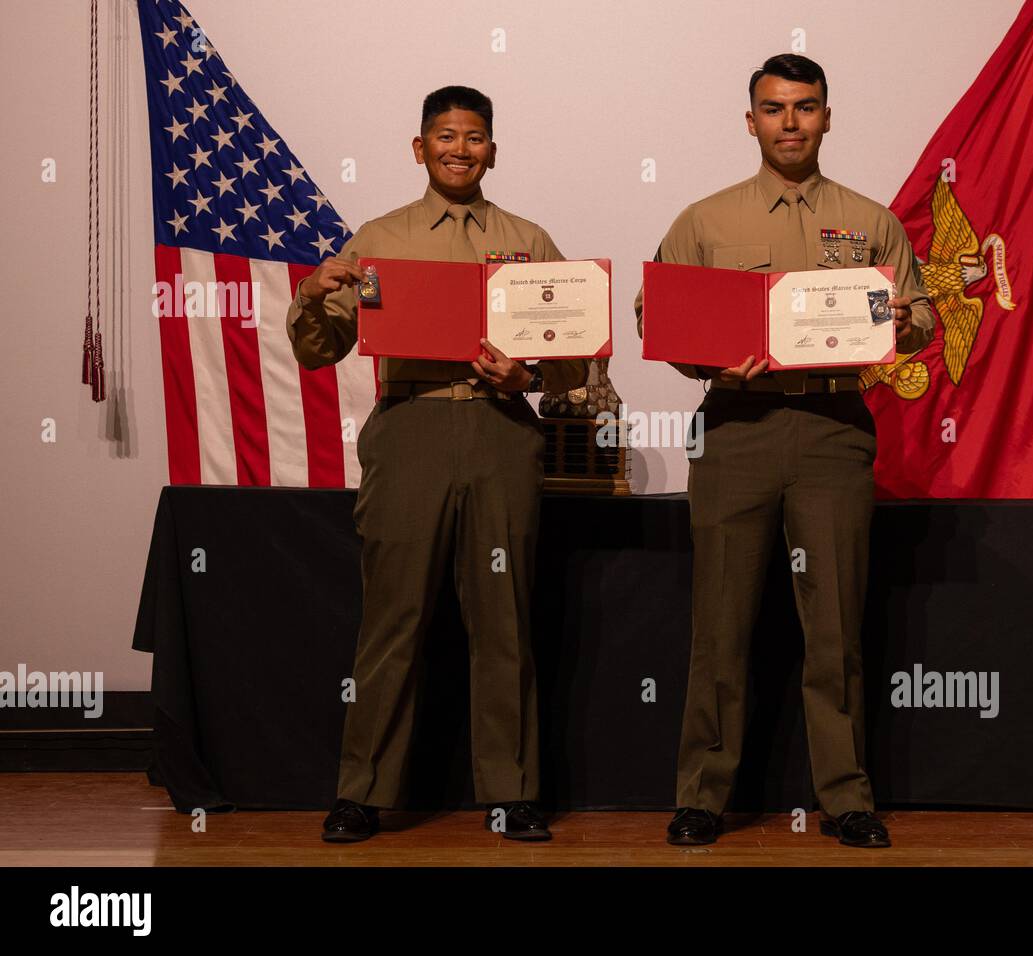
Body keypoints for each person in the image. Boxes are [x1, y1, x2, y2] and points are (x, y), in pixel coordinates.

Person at [635, 55, 935, 848]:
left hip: (835, 428)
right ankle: (702, 795)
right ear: (750, 121)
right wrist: (705, 363)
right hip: (737, 428)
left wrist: (904, 323)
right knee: (720, 625)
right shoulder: (706, 220)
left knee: (834, 627)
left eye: (805, 107)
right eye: (774, 109)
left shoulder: (871, 221)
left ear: (828, 116)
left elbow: (922, 315)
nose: (790, 122)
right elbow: (656, 314)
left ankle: (846, 797)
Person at [287, 86, 588, 843]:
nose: (461, 148)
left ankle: (514, 792)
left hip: (499, 433)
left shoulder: (527, 238)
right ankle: (361, 792)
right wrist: (312, 295)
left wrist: (529, 379)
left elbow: (572, 360)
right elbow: (321, 350)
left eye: (476, 136)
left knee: (504, 617)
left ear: (494, 148)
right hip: (412, 426)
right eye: (446, 136)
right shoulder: (380, 238)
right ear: (419, 149)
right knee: (394, 617)